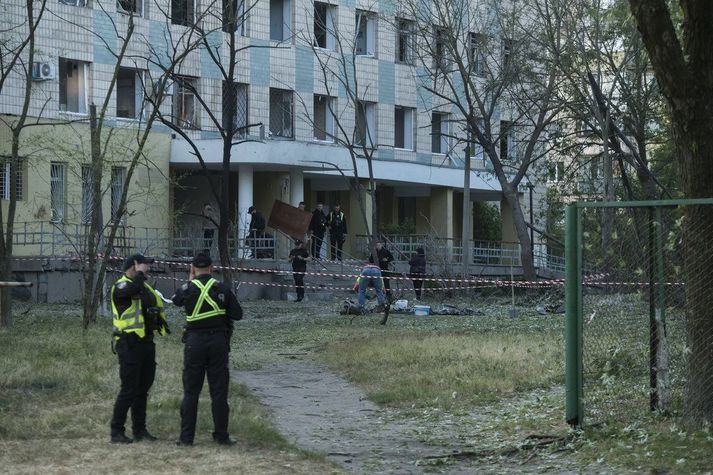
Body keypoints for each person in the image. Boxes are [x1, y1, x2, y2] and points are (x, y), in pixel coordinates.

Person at [172, 253, 243, 446]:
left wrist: (190, 281)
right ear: (212, 268)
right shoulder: (222, 288)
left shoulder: (187, 289)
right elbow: (238, 314)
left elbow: (175, 301)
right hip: (218, 342)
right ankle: (221, 436)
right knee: (219, 391)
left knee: (191, 391)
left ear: (193, 269)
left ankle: (186, 438)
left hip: (194, 343)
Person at [110, 253, 169, 444]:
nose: (148, 268)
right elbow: (132, 289)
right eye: (145, 265)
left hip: (146, 343)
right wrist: (140, 274)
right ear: (134, 266)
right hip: (129, 344)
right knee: (128, 389)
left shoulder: (144, 287)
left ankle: (139, 430)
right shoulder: (121, 286)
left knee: (143, 389)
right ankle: (116, 431)